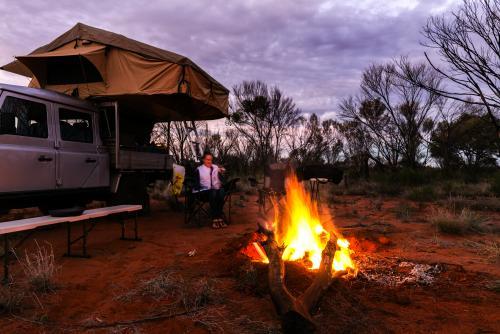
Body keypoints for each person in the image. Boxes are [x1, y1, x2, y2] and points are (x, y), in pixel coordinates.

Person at [195, 152, 226, 229]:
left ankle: (219, 217)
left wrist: (222, 171)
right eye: (207, 160)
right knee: (213, 192)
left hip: (216, 190)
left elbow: (223, 170)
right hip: (204, 193)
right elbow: (196, 183)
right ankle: (215, 218)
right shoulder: (199, 169)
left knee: (221, 191)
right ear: (203, 160)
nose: (209, 161)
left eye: (211, 160)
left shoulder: (215, 167)